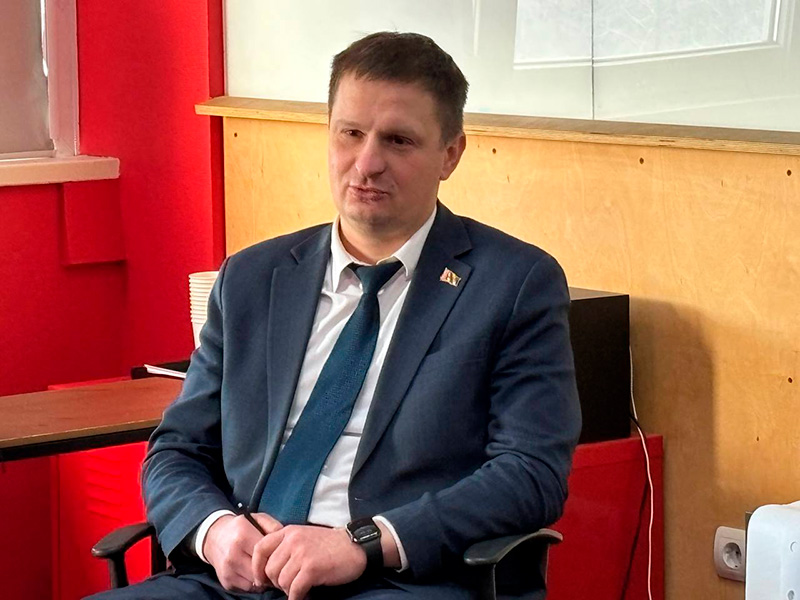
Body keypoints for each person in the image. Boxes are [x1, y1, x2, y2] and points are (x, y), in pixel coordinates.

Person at [87, 31, 581, 600]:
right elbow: (178, 450)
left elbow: (530, 473)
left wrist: (363, 542)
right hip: (238, 578)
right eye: (350, 133)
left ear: (450, 154)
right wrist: (215, 531)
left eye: (398, 140)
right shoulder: (252, 278)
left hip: (397, 582)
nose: (367, 163)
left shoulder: (514, 285)